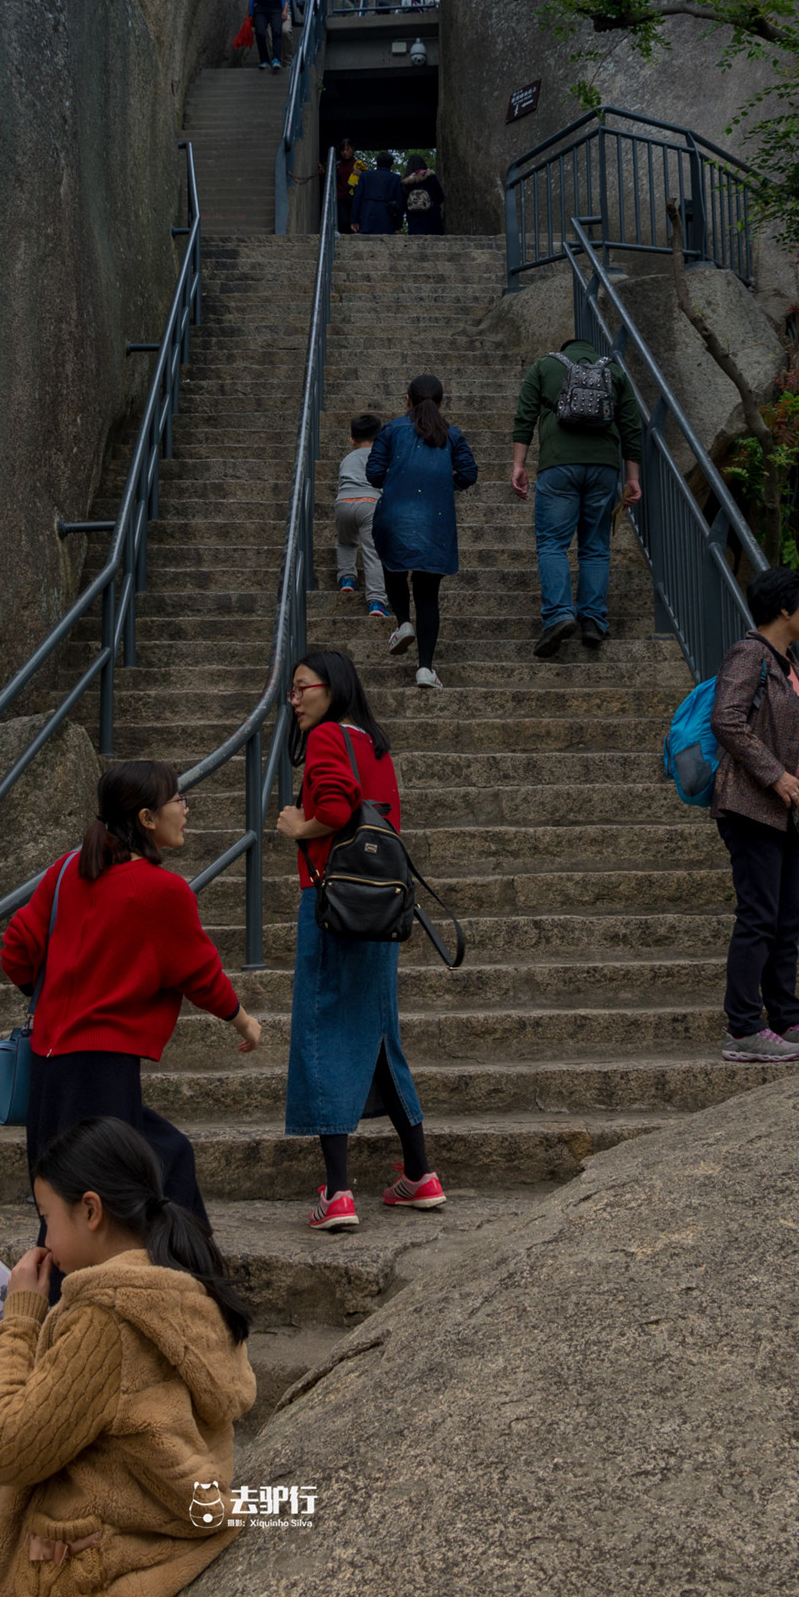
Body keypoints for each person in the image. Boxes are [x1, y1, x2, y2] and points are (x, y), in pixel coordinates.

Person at [0, 1117, 256, 1597]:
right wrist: (19, 1364)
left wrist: (19, 1320)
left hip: (91, 1564)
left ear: (90, 1210)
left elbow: (8, 1452)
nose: (43, 1240)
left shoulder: (105, 1314)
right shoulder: (170, 1283)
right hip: (142, 1525)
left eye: (47, 1219)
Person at [0, 762, 261, 1258]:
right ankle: (170, 1293)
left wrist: (57, 993)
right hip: (102, 1069)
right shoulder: (161, 891)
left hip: (49, 1070)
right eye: (177, 800)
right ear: (146, 817)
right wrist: (244, 1021)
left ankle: (190, 1282)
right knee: (98, 1207)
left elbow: (15, 949)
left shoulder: (65, 872)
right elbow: (200, 972)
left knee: (134, 1172)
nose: (185, 809)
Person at [274, 650, 442, 1227]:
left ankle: (338, 1193)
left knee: (322, 1030)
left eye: (302, 688)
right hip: (378, 907)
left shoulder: (325, 738)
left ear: (331, 688)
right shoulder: (373, 741)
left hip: (332, 902)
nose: (293, 699)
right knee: (377, 1036)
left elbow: (337, 805)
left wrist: (300, 825)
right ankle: (419, 1174)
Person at [709, 568, 799, 1065]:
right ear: (785, 609)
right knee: (759, 917)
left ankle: (786, 1019)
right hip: (751, 806)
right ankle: (743, 1028)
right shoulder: (750, 654)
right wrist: (775, 776)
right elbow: (726, 718)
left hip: (791, 809)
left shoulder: (791, 664)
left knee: (788, 920)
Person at [510, 340, 644, 656]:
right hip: (604, 469)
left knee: (553, 544)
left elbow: (525, 416)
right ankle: (593, 621)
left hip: (558, 465)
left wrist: (519, 465)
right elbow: (631, 427)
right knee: (596, 547)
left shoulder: (544, 366)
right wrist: (633, 478)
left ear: (565, 349)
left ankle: (559, 615)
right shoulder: (613, 371)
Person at [366, 376, 478, 690]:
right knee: (428, 596)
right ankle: (425, 670)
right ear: (441, 402)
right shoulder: (452, 435)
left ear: (407, 400)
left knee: (393, 566)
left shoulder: (390, 431)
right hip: (435, 521)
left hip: (394, 516)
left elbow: (373, 474)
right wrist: (443, 486)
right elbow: (469, 473)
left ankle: (403, 623)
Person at [335, 412, 390, 622]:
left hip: (343, 503)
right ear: (380, 438)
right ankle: (376, 601)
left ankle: (346, 579)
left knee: (345, 542)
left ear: (351, 439)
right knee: (373, 553)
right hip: (370, 504)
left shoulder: (347, 458)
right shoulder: (380, 457)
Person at [349, 150, 403, 234]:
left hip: (367, 218)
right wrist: (398, 226)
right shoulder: (396, 179)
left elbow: (357, 198)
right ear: (391, 166)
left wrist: (354, 219)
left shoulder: (365, 176)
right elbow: (399, 203)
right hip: (387, 220)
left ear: (376, 164)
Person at [400, 153, 445, 236]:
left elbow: (403, 202)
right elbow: (440, 196)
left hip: (414, 218)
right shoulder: (431, 178)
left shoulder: (406, 183)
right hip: (432, 217)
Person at [334, 138, 361, 235]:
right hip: (341, 197)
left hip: (353, 197)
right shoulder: (338, 165)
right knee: (342, 221)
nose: (345, 153)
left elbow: (366, 179)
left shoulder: (358, 165)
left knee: (353, 220)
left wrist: (361, 174)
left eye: (348, 149)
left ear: (353, 149)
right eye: (343, 150)